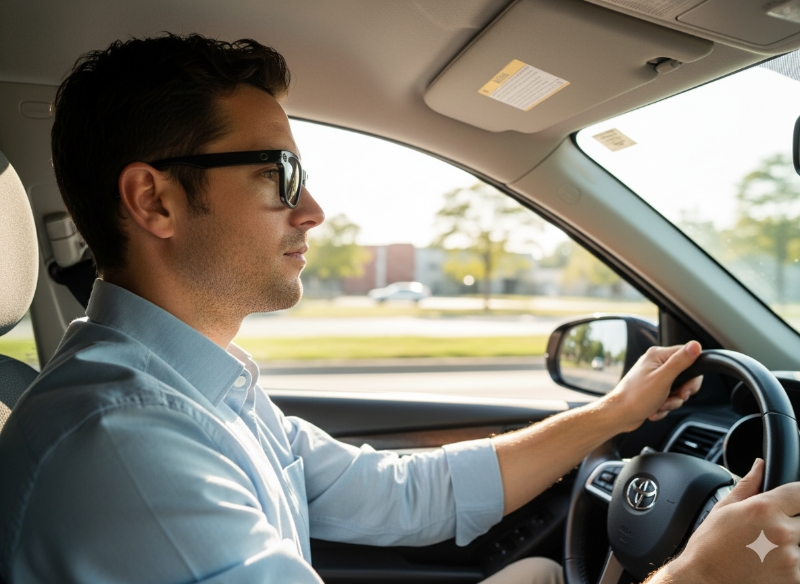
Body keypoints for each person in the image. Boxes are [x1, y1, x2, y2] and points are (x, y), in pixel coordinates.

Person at [0, 33, 796, 584]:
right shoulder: (125, 442)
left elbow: (405, 494)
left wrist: (613, 414)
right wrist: (700, 572)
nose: (312, 210)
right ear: (155, 200)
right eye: (279, 174)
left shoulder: (190, 393)